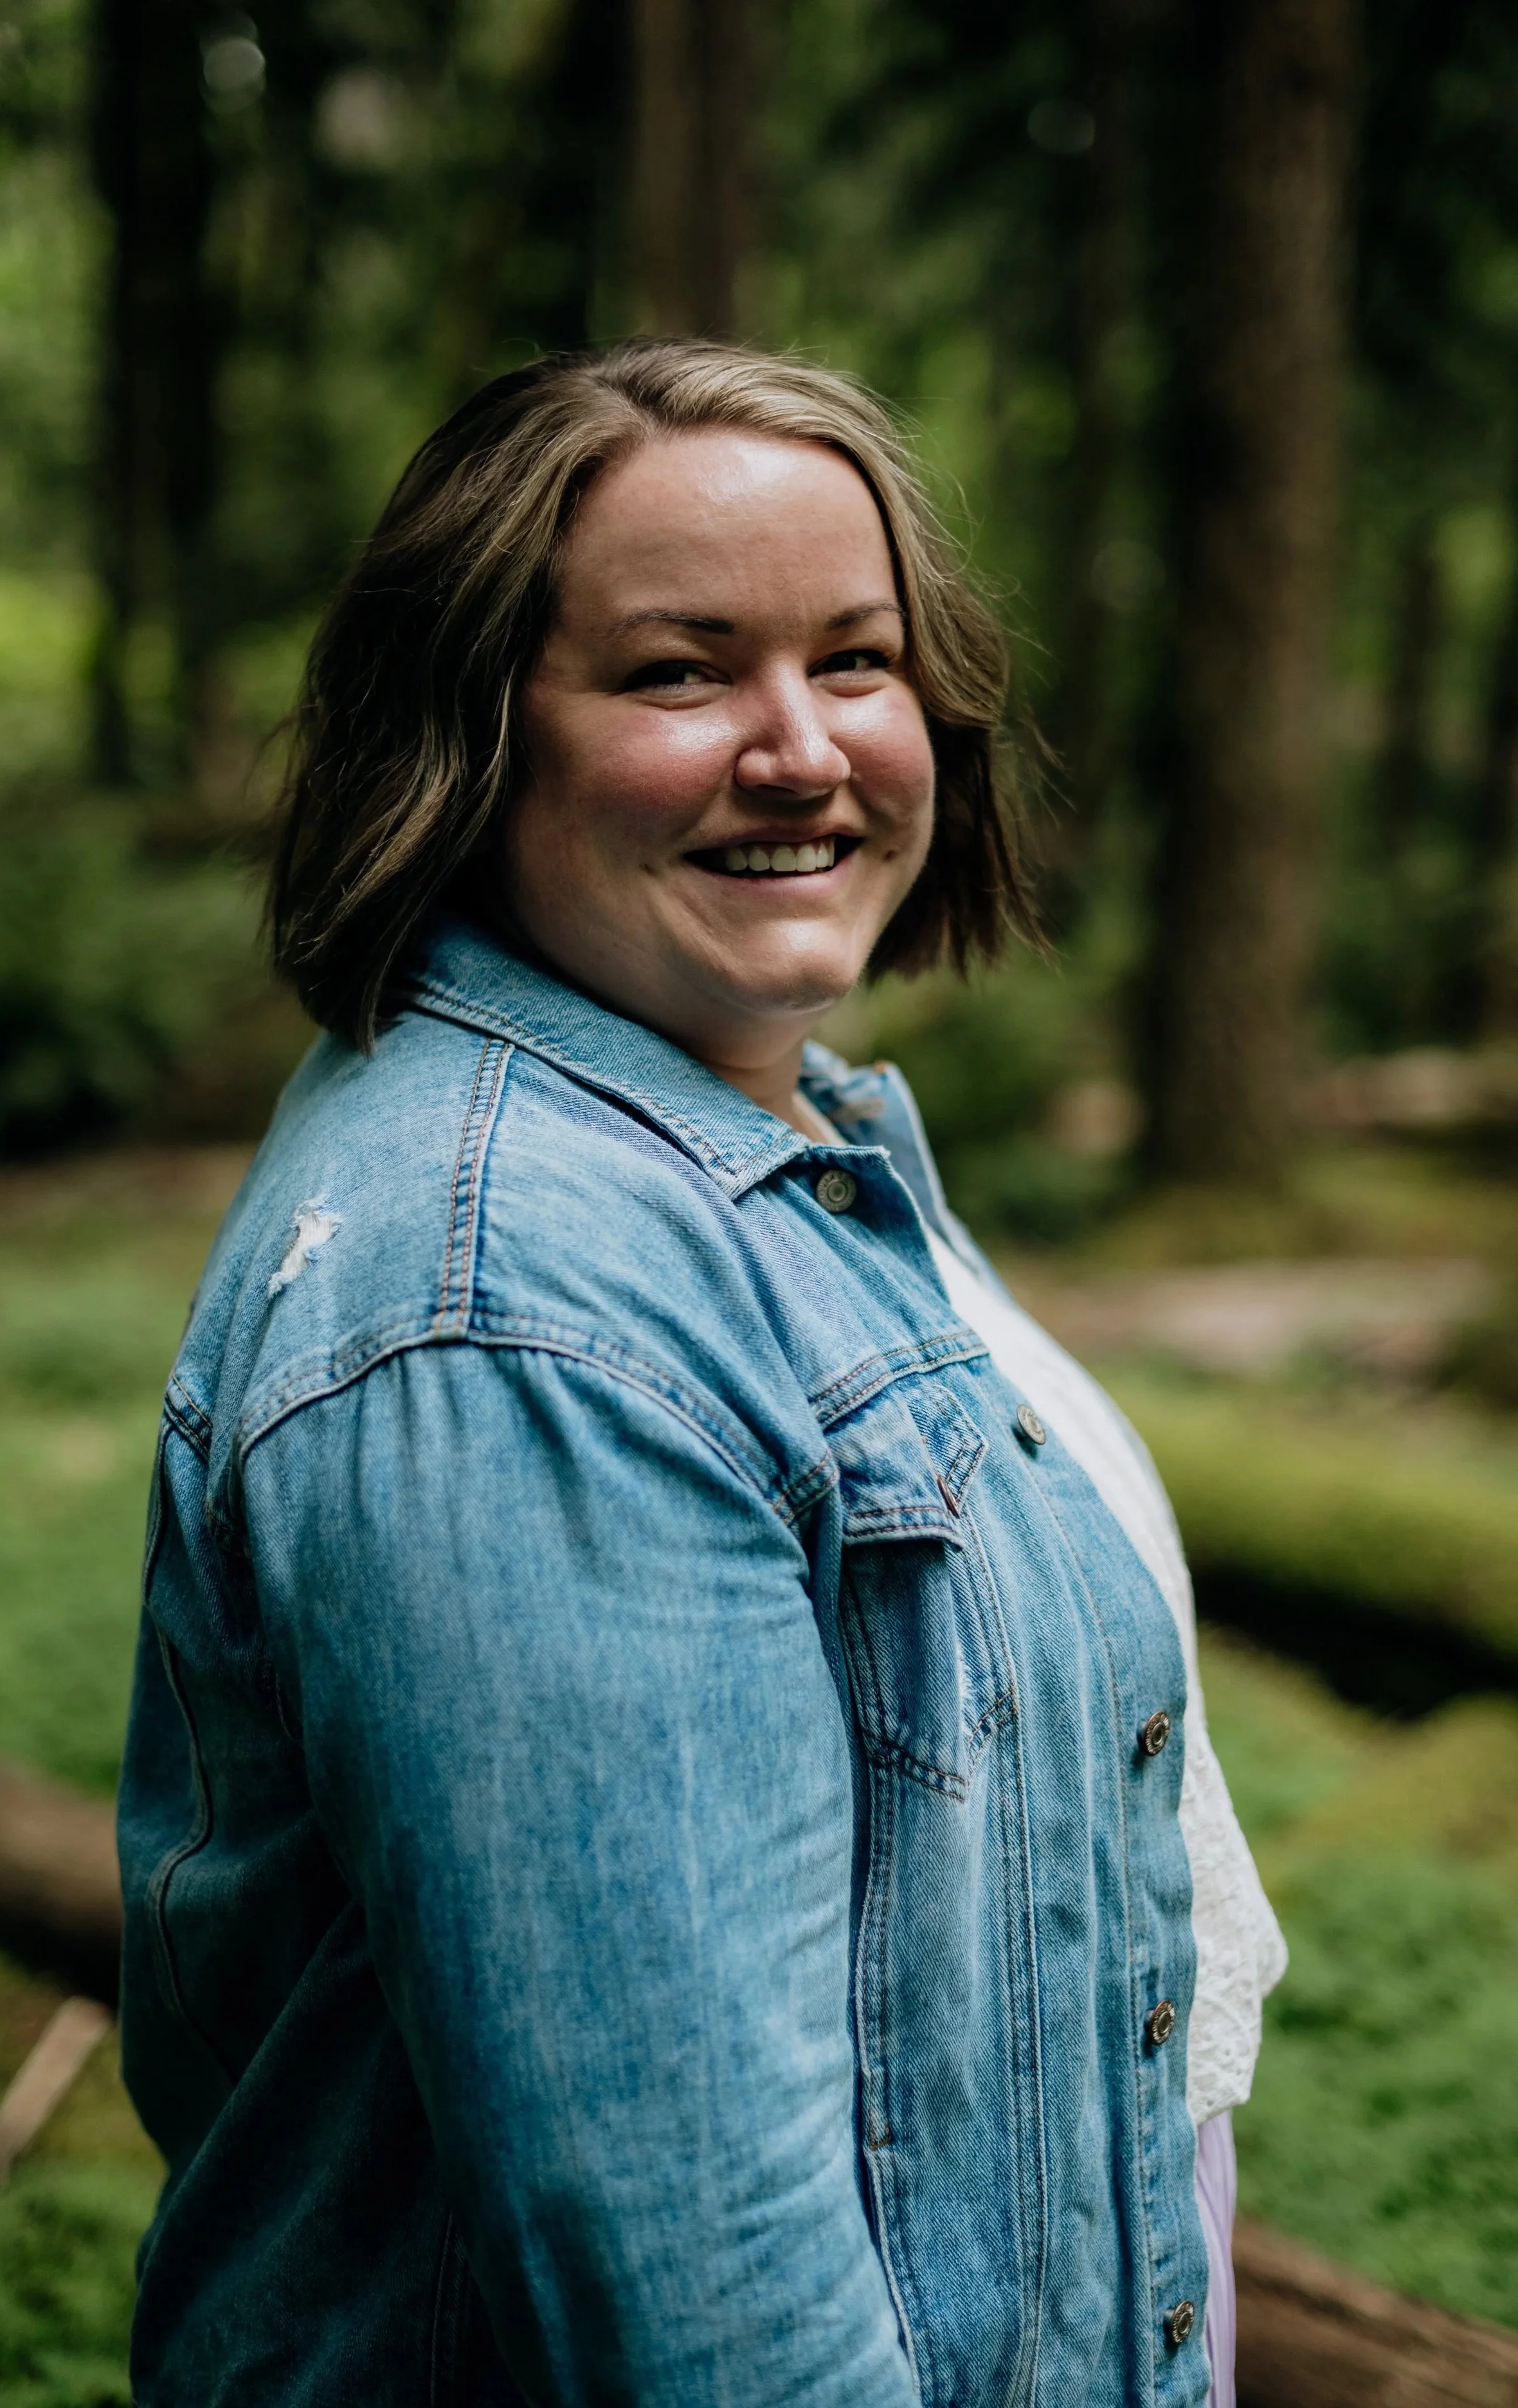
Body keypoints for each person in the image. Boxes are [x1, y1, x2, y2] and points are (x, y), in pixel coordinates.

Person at [117, 339, 1284, 2407]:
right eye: (675, 672)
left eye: (855, 658)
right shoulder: (514, 1316)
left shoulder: (772, 1139)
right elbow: (699, 2291)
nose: (801, 746)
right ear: (466, 737)